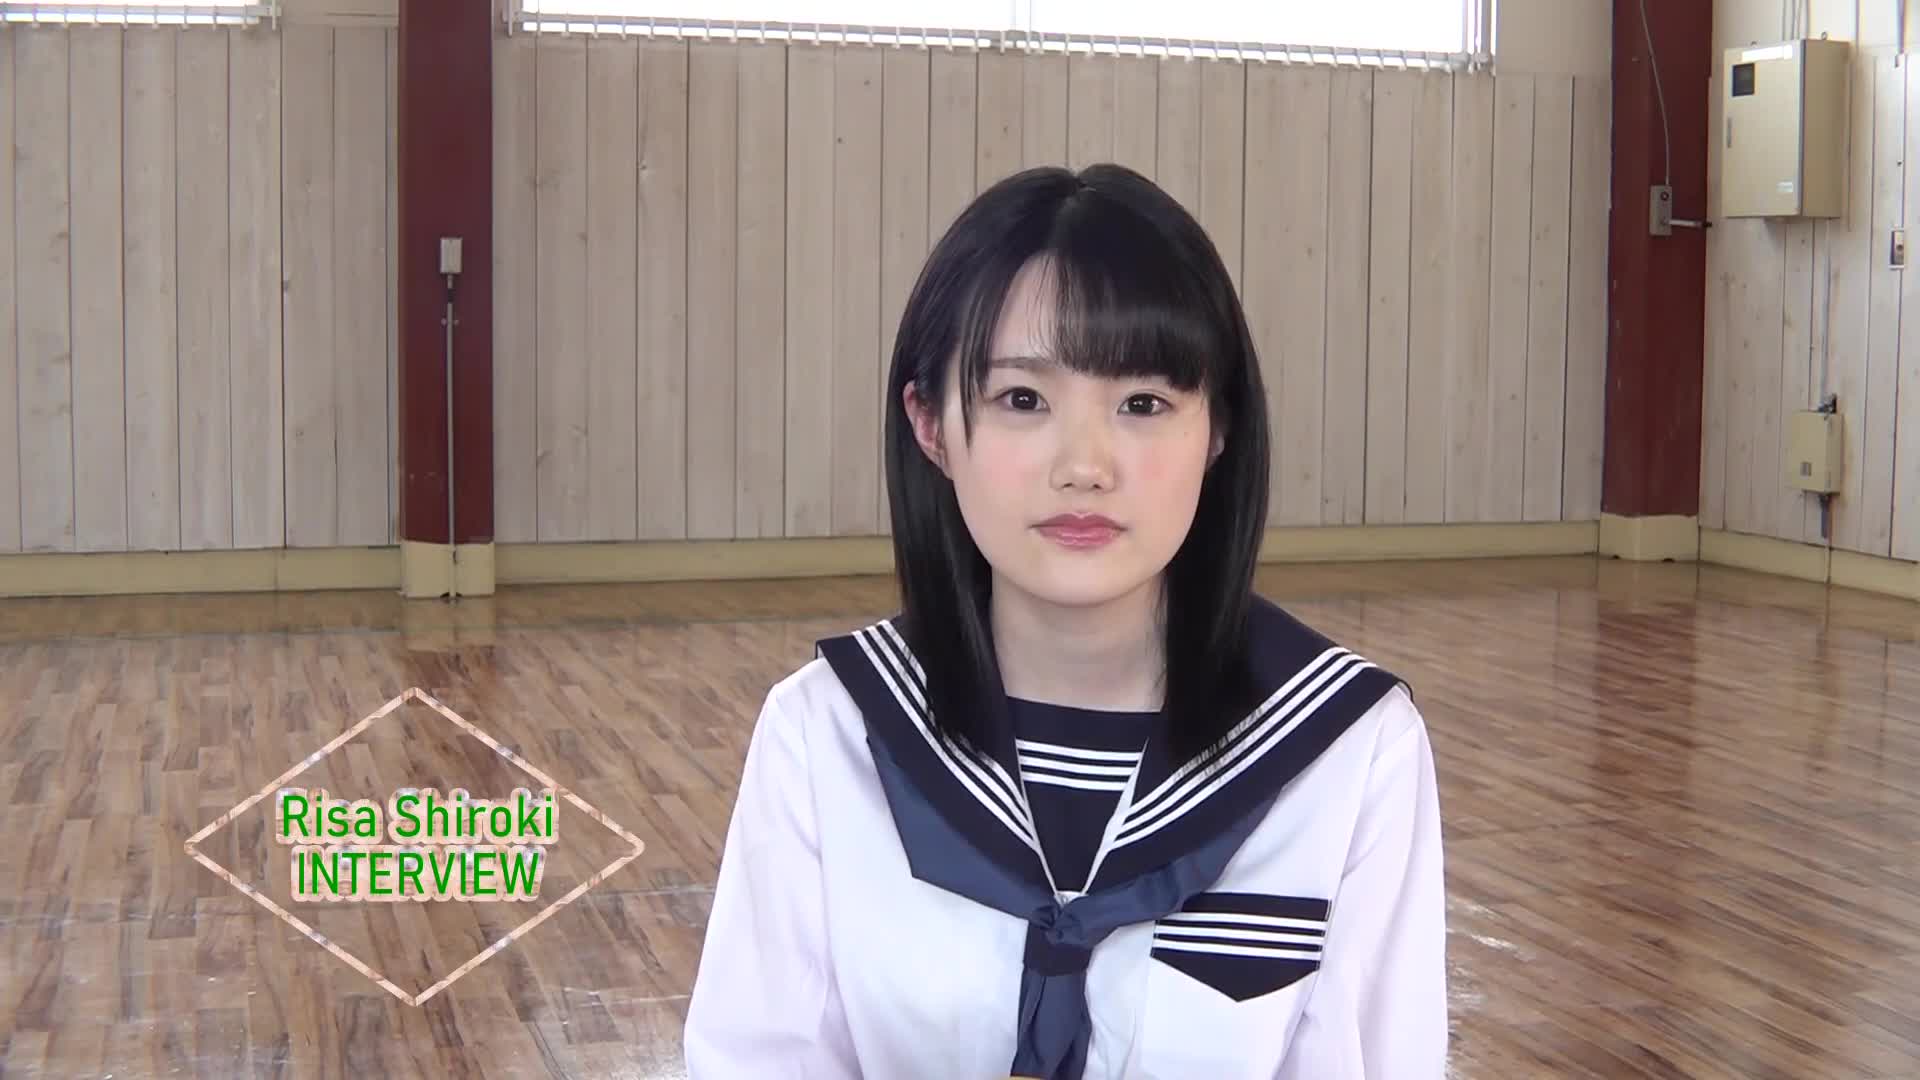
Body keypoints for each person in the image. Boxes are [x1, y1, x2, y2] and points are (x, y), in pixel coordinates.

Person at [682, 163, 1447, 1079]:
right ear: (930, 425)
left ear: (1218, 429)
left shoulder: (1348, 752)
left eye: (1142, 404)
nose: (1084, 466)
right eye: (1023, 400)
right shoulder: (826, 734)